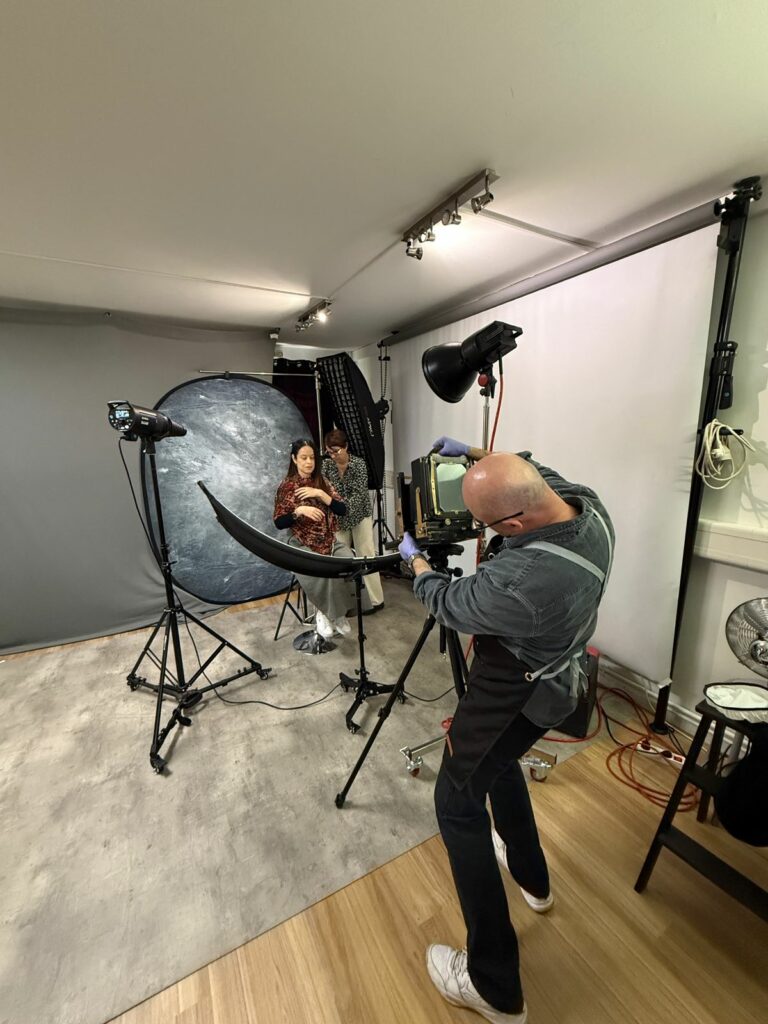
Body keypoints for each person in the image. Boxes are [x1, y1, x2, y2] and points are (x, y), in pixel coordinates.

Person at [398, 437, 614, 1024]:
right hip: (554, 681)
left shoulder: (524, 580)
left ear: (515, 524)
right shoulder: (586, 506)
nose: (484, 533)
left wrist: (415, 562)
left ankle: (494, 985)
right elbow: (532, 467)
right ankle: (531, 877)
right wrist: (473, 453)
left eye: (488, 527)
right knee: (497, 765)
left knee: (455, 803)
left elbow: (448, 602)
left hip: (516, 693)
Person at [273, 438, 357, 639]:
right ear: (294, 459)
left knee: (348, 562)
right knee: (322, 568)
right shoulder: (287, 486)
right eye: (304, 458)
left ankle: (336, 613)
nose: (309, 462)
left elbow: (342, 509)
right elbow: (279, 522)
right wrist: (299, 511)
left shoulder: (322, 482)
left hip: (329, 541)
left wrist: (320, 494)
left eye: (311, 457)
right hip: (302, 543)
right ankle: (325, 613)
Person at [321, 428, 385, 613]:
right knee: (341, 559)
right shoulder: (326, 466)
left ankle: (375, 601)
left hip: (359, 516)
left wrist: (337, 505)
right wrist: (333, 504)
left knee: (366, 555)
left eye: (336, 451)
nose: (333, 456)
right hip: (339, 519)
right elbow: (326, 491)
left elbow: (358, 496)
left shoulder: (359, 465)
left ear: (346, 446)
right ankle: (346, 602)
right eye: (329, 452)